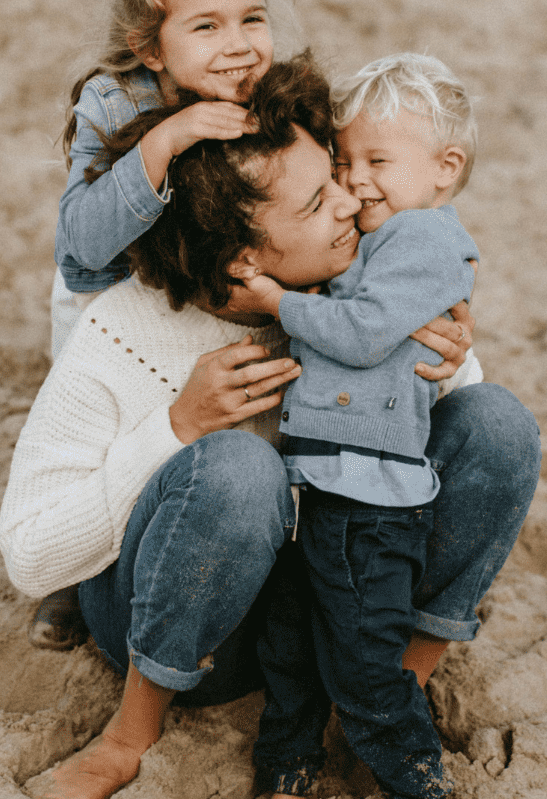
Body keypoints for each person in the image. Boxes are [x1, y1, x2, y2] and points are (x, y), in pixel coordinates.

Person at [0, 58, 540, 799]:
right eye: (320, 199)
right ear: (244, 257)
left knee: (500, 424)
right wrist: (176, 428)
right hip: (189, 631)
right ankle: (130, 733)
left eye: (337, 174)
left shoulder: (353, 283)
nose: (351, 201)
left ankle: (390, 691)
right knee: (238, 471)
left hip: (333, 607)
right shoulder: (122, 331)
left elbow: (470, 446)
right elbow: (30, 559)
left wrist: (446, 359)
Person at [233, 53, 478, 799]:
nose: (356, 180)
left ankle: (416, 777)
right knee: (290, 641)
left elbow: (367, 333)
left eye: (378, 161)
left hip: (369, 500)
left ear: (445, 168)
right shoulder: (378, 240)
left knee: (365, 656)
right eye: (344, 162)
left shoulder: (426, 240)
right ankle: (287, 762)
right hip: (321, 482)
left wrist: (276, 301)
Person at [32, 0, 279, 651]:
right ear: (150, 45)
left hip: (196, 294)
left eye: (253, 18)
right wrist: (167, 139)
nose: (239, 44)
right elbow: (81, 252)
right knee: (92, 424)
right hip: (109, 295)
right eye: (206, 26)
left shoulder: (267, 94)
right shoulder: (116, 102)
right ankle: (70, 580)